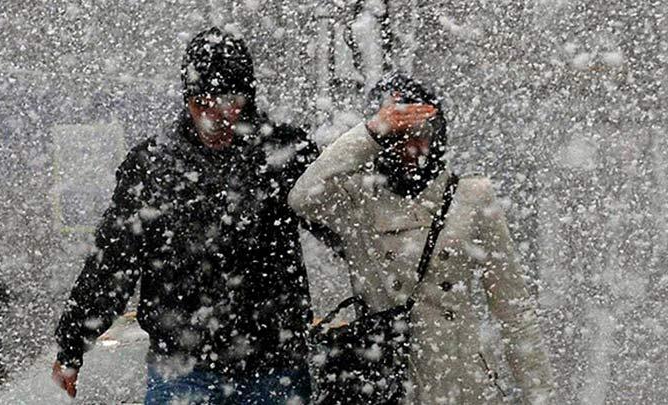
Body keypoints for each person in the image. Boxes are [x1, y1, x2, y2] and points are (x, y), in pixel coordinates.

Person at [52, 27, 324, 404]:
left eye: (228, 101)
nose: (215, 117)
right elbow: (114, 262)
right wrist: (72, 343)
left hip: (273, 366)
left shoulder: (284, 153)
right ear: (187, 100)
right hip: (183, 370)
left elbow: (342, 226)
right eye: (202, 103)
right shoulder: (152, 165)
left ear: (247, 98)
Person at [289, 72, 555, 404]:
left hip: (461, 383)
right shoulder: (357, 198)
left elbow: (514, 311)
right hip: (385, 380)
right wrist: (369, 132)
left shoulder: (472, 197)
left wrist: (541, 396)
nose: (413, 148)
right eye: (398, 136)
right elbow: (301, 197)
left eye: (423, 134)